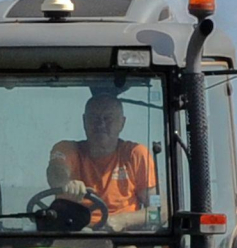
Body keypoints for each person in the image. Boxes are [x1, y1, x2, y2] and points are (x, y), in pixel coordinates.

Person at [46, 93, 157, 230]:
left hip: (120, 238)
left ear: (122, 123)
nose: (101, 124)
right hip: (72, 231)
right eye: (94, 118)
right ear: (84, 121)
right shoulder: (67, 149)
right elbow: (56, 171)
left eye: (108, 118)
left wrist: (123, 220)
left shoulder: (136, 155)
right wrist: (66, 184)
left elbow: (157, 210)